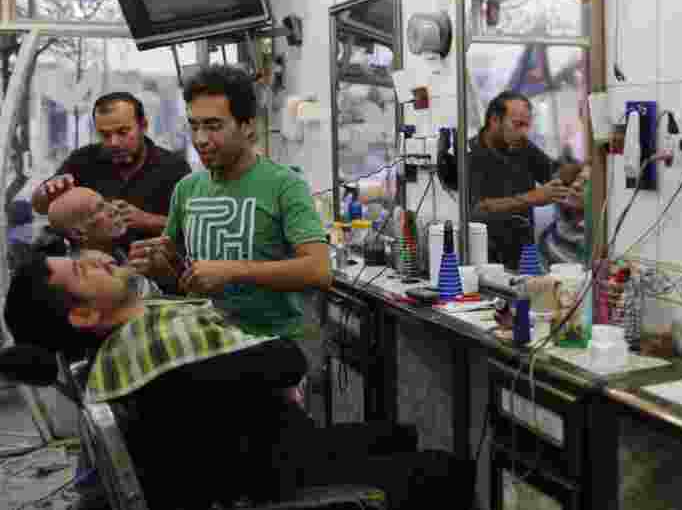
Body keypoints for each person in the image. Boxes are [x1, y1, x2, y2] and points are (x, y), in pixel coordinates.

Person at [2, 249, 475, 510]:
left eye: (80, 254)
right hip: (265, 480)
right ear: (84, 315)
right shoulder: (162, 356)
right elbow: (287, 361)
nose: (94, 258)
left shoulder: (131, 349)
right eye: (81, 271)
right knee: (447, 470)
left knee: (397, 432)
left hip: (259, 455)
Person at [128, 65, 330, 341]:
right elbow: (181, 274)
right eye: (194, 126)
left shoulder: (284, 185)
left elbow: (318, 270)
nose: (200, 139)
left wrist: (232, 271)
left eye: (213, 126)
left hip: (271, 344)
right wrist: (159, 263)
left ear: (247, 126)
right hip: (206, 340)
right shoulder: (187, 189)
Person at [30, 92, 192, 248]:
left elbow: (193, 227)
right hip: (92, 267)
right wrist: (48, 193)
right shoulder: (83, 160)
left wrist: (147, 220)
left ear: (143, 126)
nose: (114, 142)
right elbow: (40, 206)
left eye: (123, 132)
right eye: (105, 134)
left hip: (154, 268)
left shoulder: (174, 167)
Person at [467, 90, 575, 269]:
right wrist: (531, 198)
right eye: (517, 124)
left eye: (527, 125)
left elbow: (554, 175)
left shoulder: (522, 146)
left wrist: (575, 170)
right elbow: (477, 209)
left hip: (523, 256)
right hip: (485, 260)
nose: (524, 132)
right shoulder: (470, 154)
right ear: (495, 120)